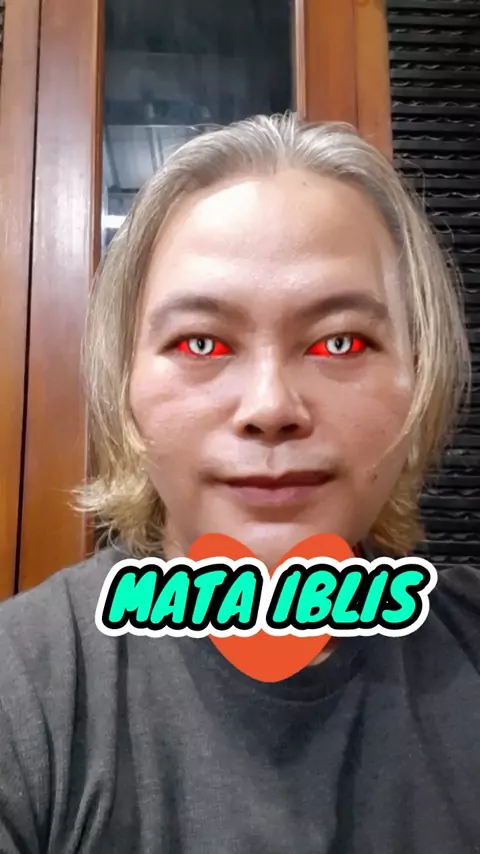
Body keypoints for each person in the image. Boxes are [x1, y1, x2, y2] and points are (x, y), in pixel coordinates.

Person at [0, 113, 478, 854]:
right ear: (125, 384)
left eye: (341, 341)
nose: (270, 408)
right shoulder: (23, 690)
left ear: (420, 372)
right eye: (202, 343)